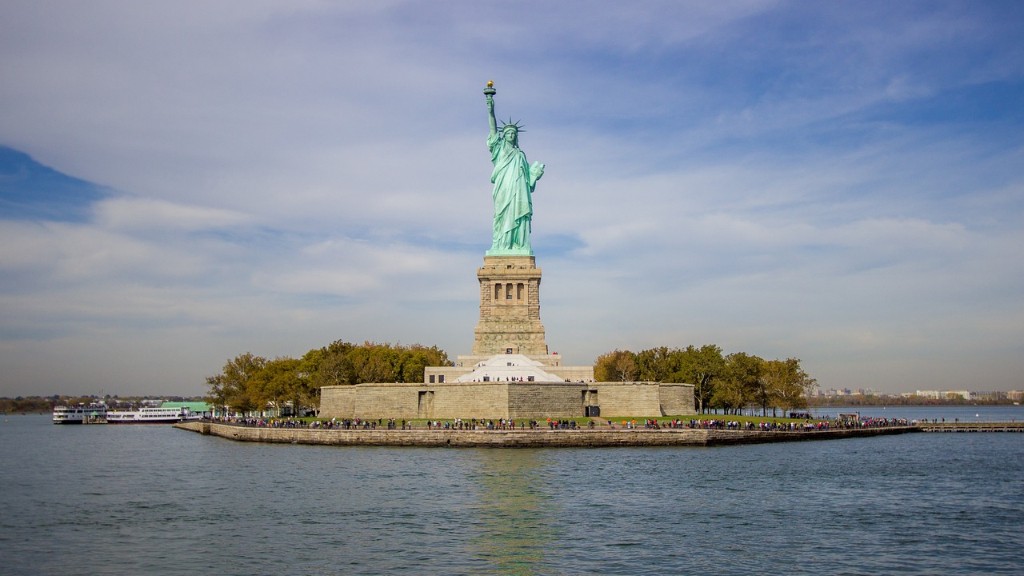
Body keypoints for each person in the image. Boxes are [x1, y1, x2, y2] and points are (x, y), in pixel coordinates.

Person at [485, 86, 544, 254]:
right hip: (503, 188)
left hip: (519, 192)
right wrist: (490, 107)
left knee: (519, 215)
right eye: (508, 133)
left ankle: (519, 245)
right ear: (504, 135)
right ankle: (501, 246)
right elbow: (492, 127)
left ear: (516, 136)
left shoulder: (520, 155)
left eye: (513, 133)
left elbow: (528, 183)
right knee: (501, 216)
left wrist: (535, 176)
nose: (511, 135)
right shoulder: (499, 148)